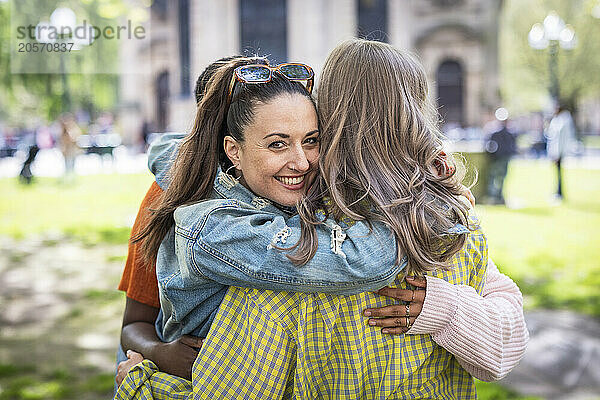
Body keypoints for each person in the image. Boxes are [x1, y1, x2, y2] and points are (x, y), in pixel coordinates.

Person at [116, 40, 527, 398]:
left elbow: (506, 344)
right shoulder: (442, 221)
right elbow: (139, 321)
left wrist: (445, 307)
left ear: (327, 121)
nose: (298, 160)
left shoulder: (306, 236)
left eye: (309, 140)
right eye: (277, 143)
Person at [485, 113, 517, 204]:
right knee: (498, 176)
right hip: (499, 157)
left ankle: (496, 195)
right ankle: (495, 195)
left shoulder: (496, 131)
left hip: (499, 157)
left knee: (498, 176)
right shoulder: (504, 132)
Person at [546, 104, 576, 200]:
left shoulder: (562, 122)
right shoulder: (560, 120)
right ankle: (558, 192)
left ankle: (559, 193)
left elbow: (558, 140)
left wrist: (556, 154)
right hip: (557, 152)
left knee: (559, 174)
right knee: (557, 174)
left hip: (558, 153)